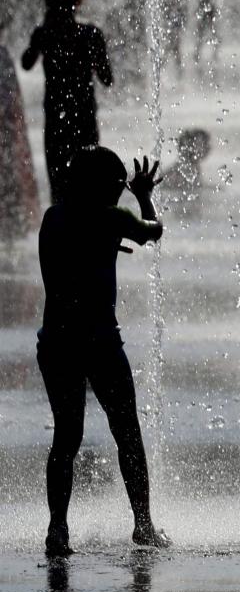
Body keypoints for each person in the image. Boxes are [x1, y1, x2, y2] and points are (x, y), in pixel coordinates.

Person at [38, 148, 172, 556]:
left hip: (57, 342)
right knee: (127, 433)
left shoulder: (54, 217)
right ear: (106, 188)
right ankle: (144, 525)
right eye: (116, 188)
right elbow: (154, 231)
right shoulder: (113, 218)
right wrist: (143, 194)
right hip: (99, 342)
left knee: (66, 436)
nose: (118, 194)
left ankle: (58, 529)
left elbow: (72, 258)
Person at [22, 0, 113, 204]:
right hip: (84, 117)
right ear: (78, 1)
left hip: (56, 120)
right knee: (90, 183)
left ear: (46, 1)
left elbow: (26, 63)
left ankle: (60, 236)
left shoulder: (44, 34)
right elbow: (107, 78)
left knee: (59, 184)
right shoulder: (90, 34)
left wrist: (45, 29)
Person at [0, 7, 39, 241]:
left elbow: (10, 98)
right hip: (6, 130)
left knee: (8, 175)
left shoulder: (2, 54)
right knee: (9, 175)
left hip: (5, 129)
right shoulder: (2, 54)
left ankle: (10, 226)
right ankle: (12, 226)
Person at [163, 128, 210, 220]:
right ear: (190, 146)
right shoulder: (183, 170)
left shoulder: (188, 167)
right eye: (204, 143)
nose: (208, 147)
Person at [158, 0, 186, 79]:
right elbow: (180, 0)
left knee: (172, 47)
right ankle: (171, 73)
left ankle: (160, 71)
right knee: (173, 48)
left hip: (170, 17)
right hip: (171, 17)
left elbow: (179, 0)